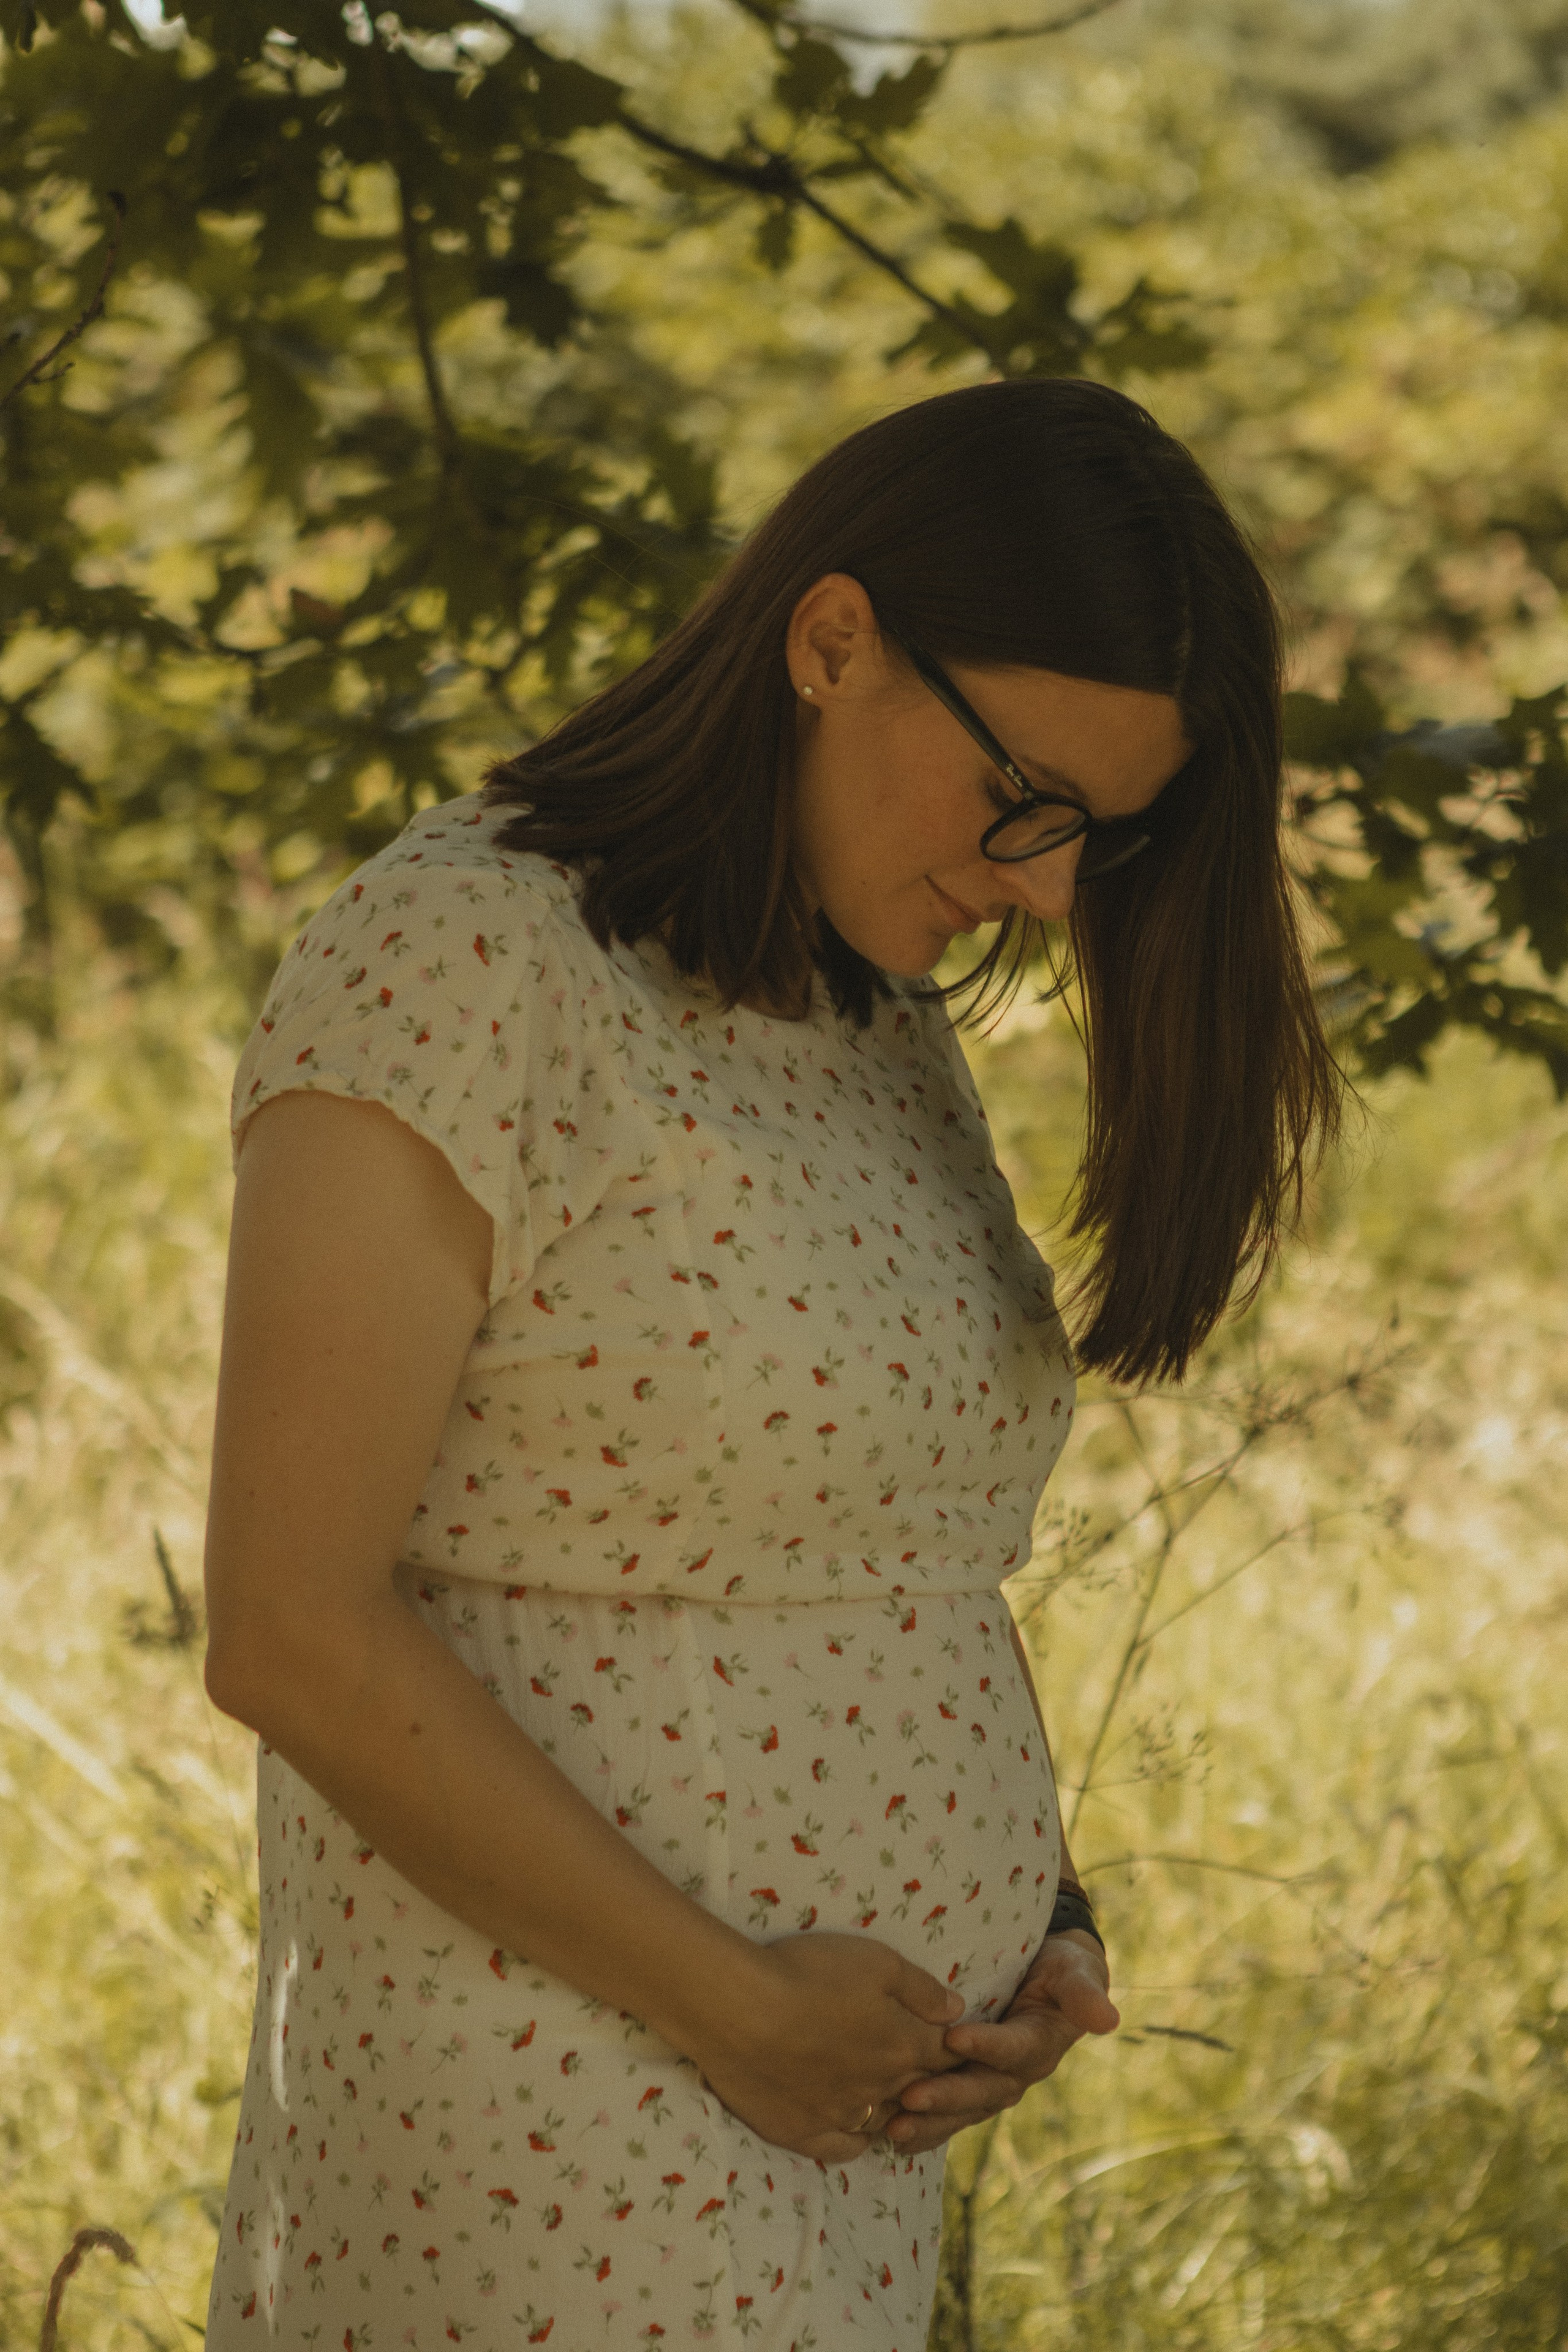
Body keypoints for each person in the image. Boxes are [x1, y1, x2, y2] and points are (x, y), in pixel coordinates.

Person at [201, 375, 1338, 2350]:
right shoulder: (468, 961)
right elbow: (289, 1627)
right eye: (1028, 801)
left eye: (1103, 841)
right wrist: (741, 2011)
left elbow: (869, 1547)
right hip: (562, 2110)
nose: (1053, 887)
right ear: (833, 642)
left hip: (833, 2128)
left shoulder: (863, 1011)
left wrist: (1032, 1916)